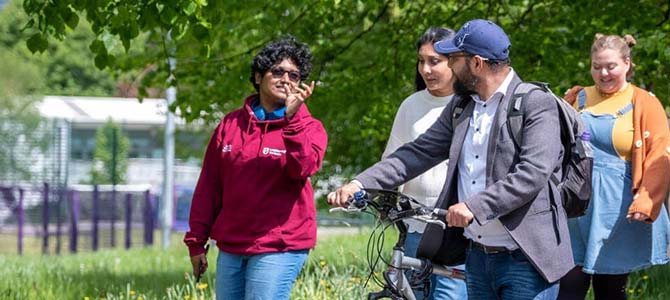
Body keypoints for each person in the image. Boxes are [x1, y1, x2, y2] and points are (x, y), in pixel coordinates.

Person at [328, 19, 573, 300]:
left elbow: (532, 174)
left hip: (526, 258)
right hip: (477, 255)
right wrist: (361, 183)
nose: (448, 67)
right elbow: (417, 153)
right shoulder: (462, 106)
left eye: (453, 59)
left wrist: (474, 206)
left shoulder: (535, 103)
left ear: (476, 64)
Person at [184, 36, 328, 300]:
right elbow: (209, 186)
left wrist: (292, 119)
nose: (286, 79)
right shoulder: (230, 125)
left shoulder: (309, 127)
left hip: (280, 246)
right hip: (232, 245)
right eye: (278, 71)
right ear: (259, 77)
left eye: (294, 75)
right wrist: (196, 242)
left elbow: (303, 167)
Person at [558, 34, 670, 300]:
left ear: (627, 64)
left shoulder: (644, 102)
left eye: (611, 66)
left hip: (618, 209)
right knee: (567, 286)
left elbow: (659, 154)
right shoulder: (577, 98)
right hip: (576, 205)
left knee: (609, 290)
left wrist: (646, 201)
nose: (603, 73)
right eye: (597, 67)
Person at [381, 26, 467, 300]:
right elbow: (393, 161)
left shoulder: (471, 104)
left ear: (454, 61)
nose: (426, 69)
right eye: (421, 61)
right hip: (415, 226)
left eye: (435, 61)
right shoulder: (411, 105)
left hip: (456, 231)